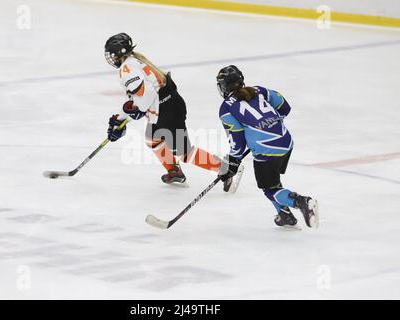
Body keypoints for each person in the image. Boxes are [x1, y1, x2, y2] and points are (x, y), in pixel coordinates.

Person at [104, 33, 241, 191]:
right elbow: (141, 97)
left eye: (113, 54)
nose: (111, 58)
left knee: (184, 152)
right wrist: (121, 119)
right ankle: (174, 171)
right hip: (169, 104)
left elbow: (146, 94)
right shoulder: (135, 60)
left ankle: (225, 169)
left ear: (119, 53)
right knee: (152, 138)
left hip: (166, 111)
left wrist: (137, 112)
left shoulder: (126, 69)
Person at [216, 65, 319, 228]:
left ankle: (301, 201)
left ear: (223, 86)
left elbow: (238, 144)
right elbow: (285, 107)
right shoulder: (258, 90)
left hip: (266, 149)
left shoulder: (226, 108)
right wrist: (270, 123)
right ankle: (284, 216)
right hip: (286, 141)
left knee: (269, 189)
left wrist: (231, 165)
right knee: (273, 182)